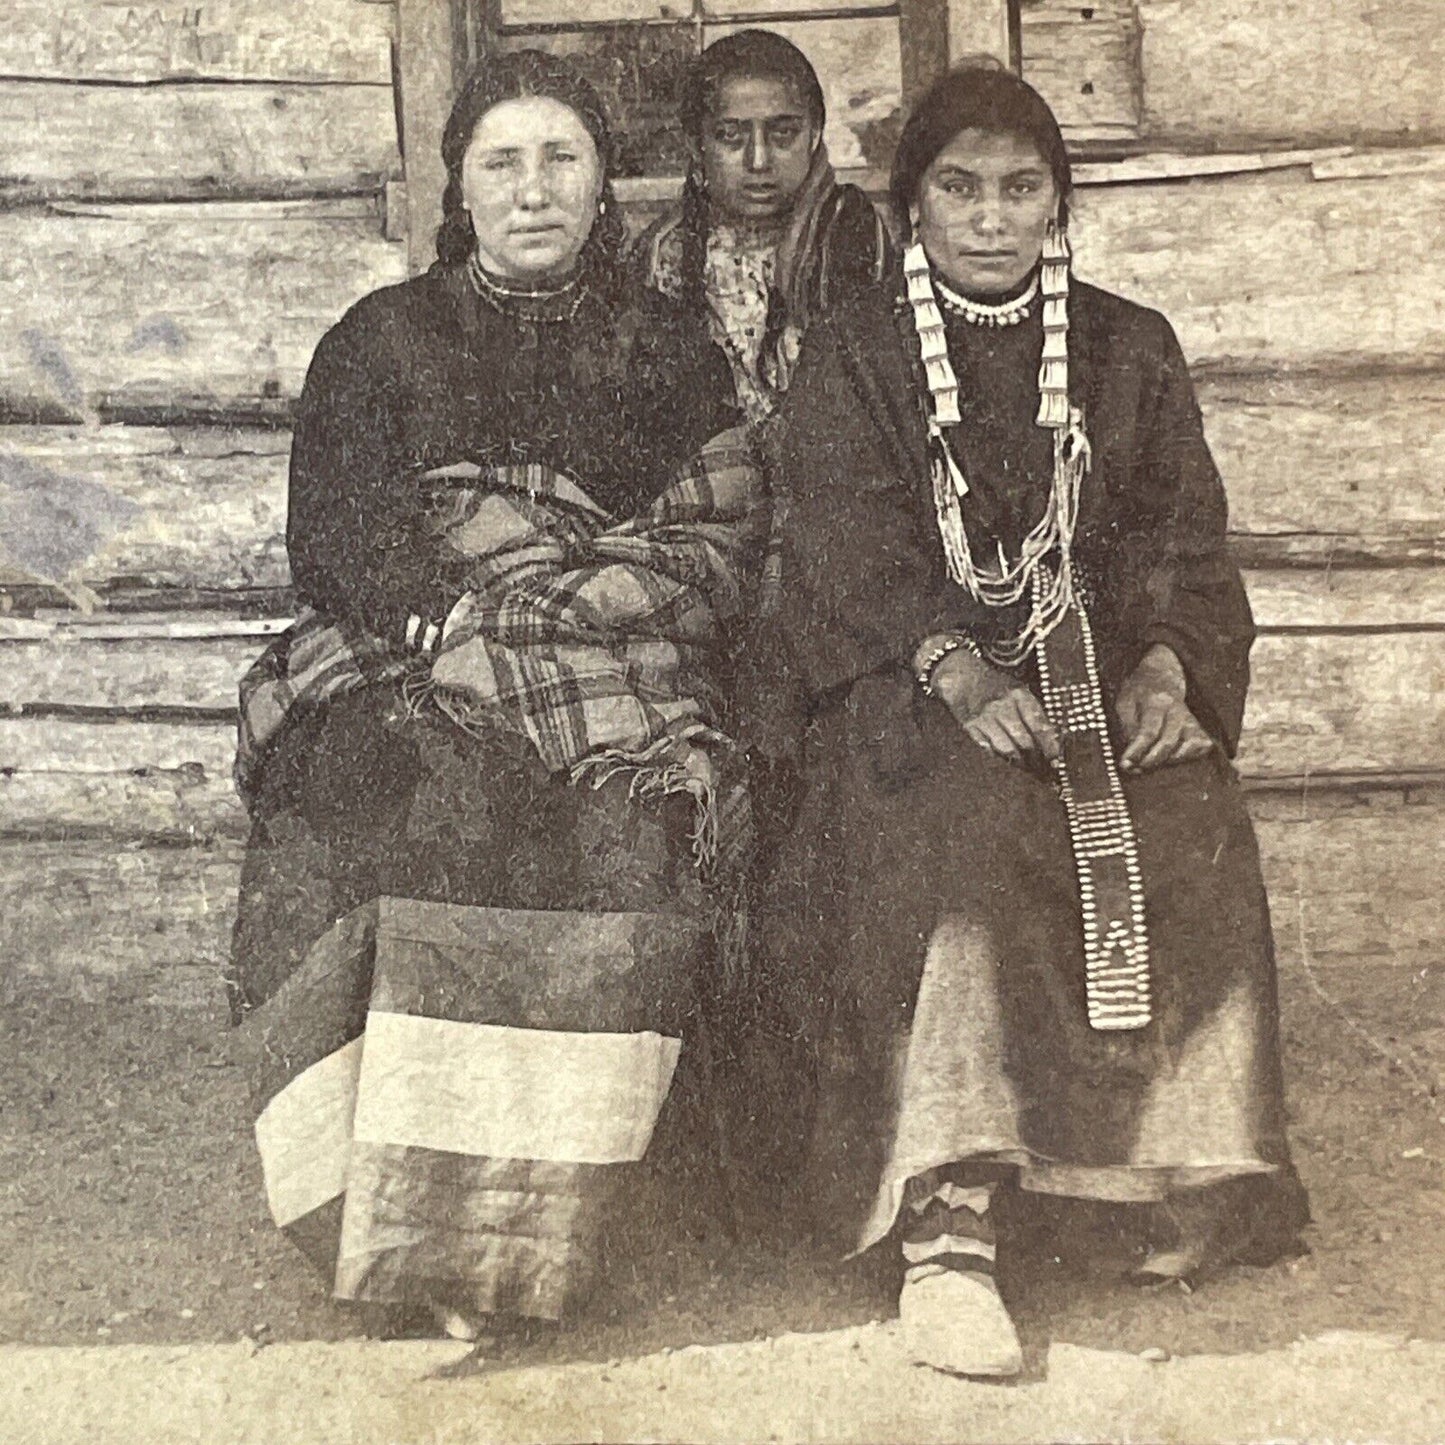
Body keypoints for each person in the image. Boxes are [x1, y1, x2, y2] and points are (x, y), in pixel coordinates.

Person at [749, 65, 1309, 1377]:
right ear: (912, 206)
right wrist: (954, 672)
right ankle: (951, 1228)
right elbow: (837, 550)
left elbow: (1185, 535)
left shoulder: (1128, 344)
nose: (990, 218)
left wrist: (1170, 673)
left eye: (1020, 188)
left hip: (1098, 682)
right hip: (903, 683)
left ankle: (1146, 1186)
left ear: (1058, 201)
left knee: (1185, 810)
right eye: (958, 188)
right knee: (958, 824)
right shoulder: (858, 352)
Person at [226, 50, 761, 1345]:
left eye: (562, 158)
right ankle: (410, 1225)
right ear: (460, 191)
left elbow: (711, 533)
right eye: (503, 164)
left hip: (607, 664)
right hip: (416, 648)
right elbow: (337, 536)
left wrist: (555, 617)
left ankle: (546, 1213)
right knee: (426, 803)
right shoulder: (382, 339)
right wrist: (455, 624)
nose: (536, 190)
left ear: (601, 181)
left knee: (619, 826)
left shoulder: (669, 347)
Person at [634, 28, 891, 425]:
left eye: (782, 134)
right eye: (731, 136)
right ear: (696, 144)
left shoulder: (848, 231)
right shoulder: (666, 253)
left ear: (815, 134)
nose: (758, 160)